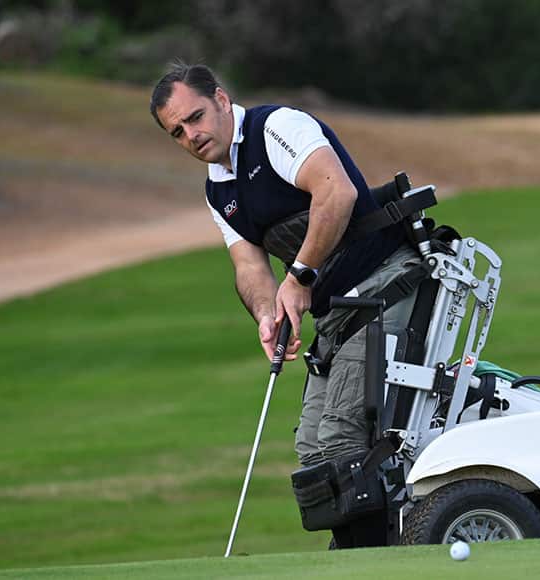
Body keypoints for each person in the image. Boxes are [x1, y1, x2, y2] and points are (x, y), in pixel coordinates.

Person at [149, 62, 420, 505]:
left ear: (220, 100)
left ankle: (378, 555)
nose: (190, 136)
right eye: (177, 132)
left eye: (194, 117)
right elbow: (249, 267)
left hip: (385, 285)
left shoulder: (275, 127)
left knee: (341, 442)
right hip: (338, 315)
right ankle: (357, 552)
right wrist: (266, 316)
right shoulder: (218, 188)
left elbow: (337, 192)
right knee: (312, 451)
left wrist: (297, 278)